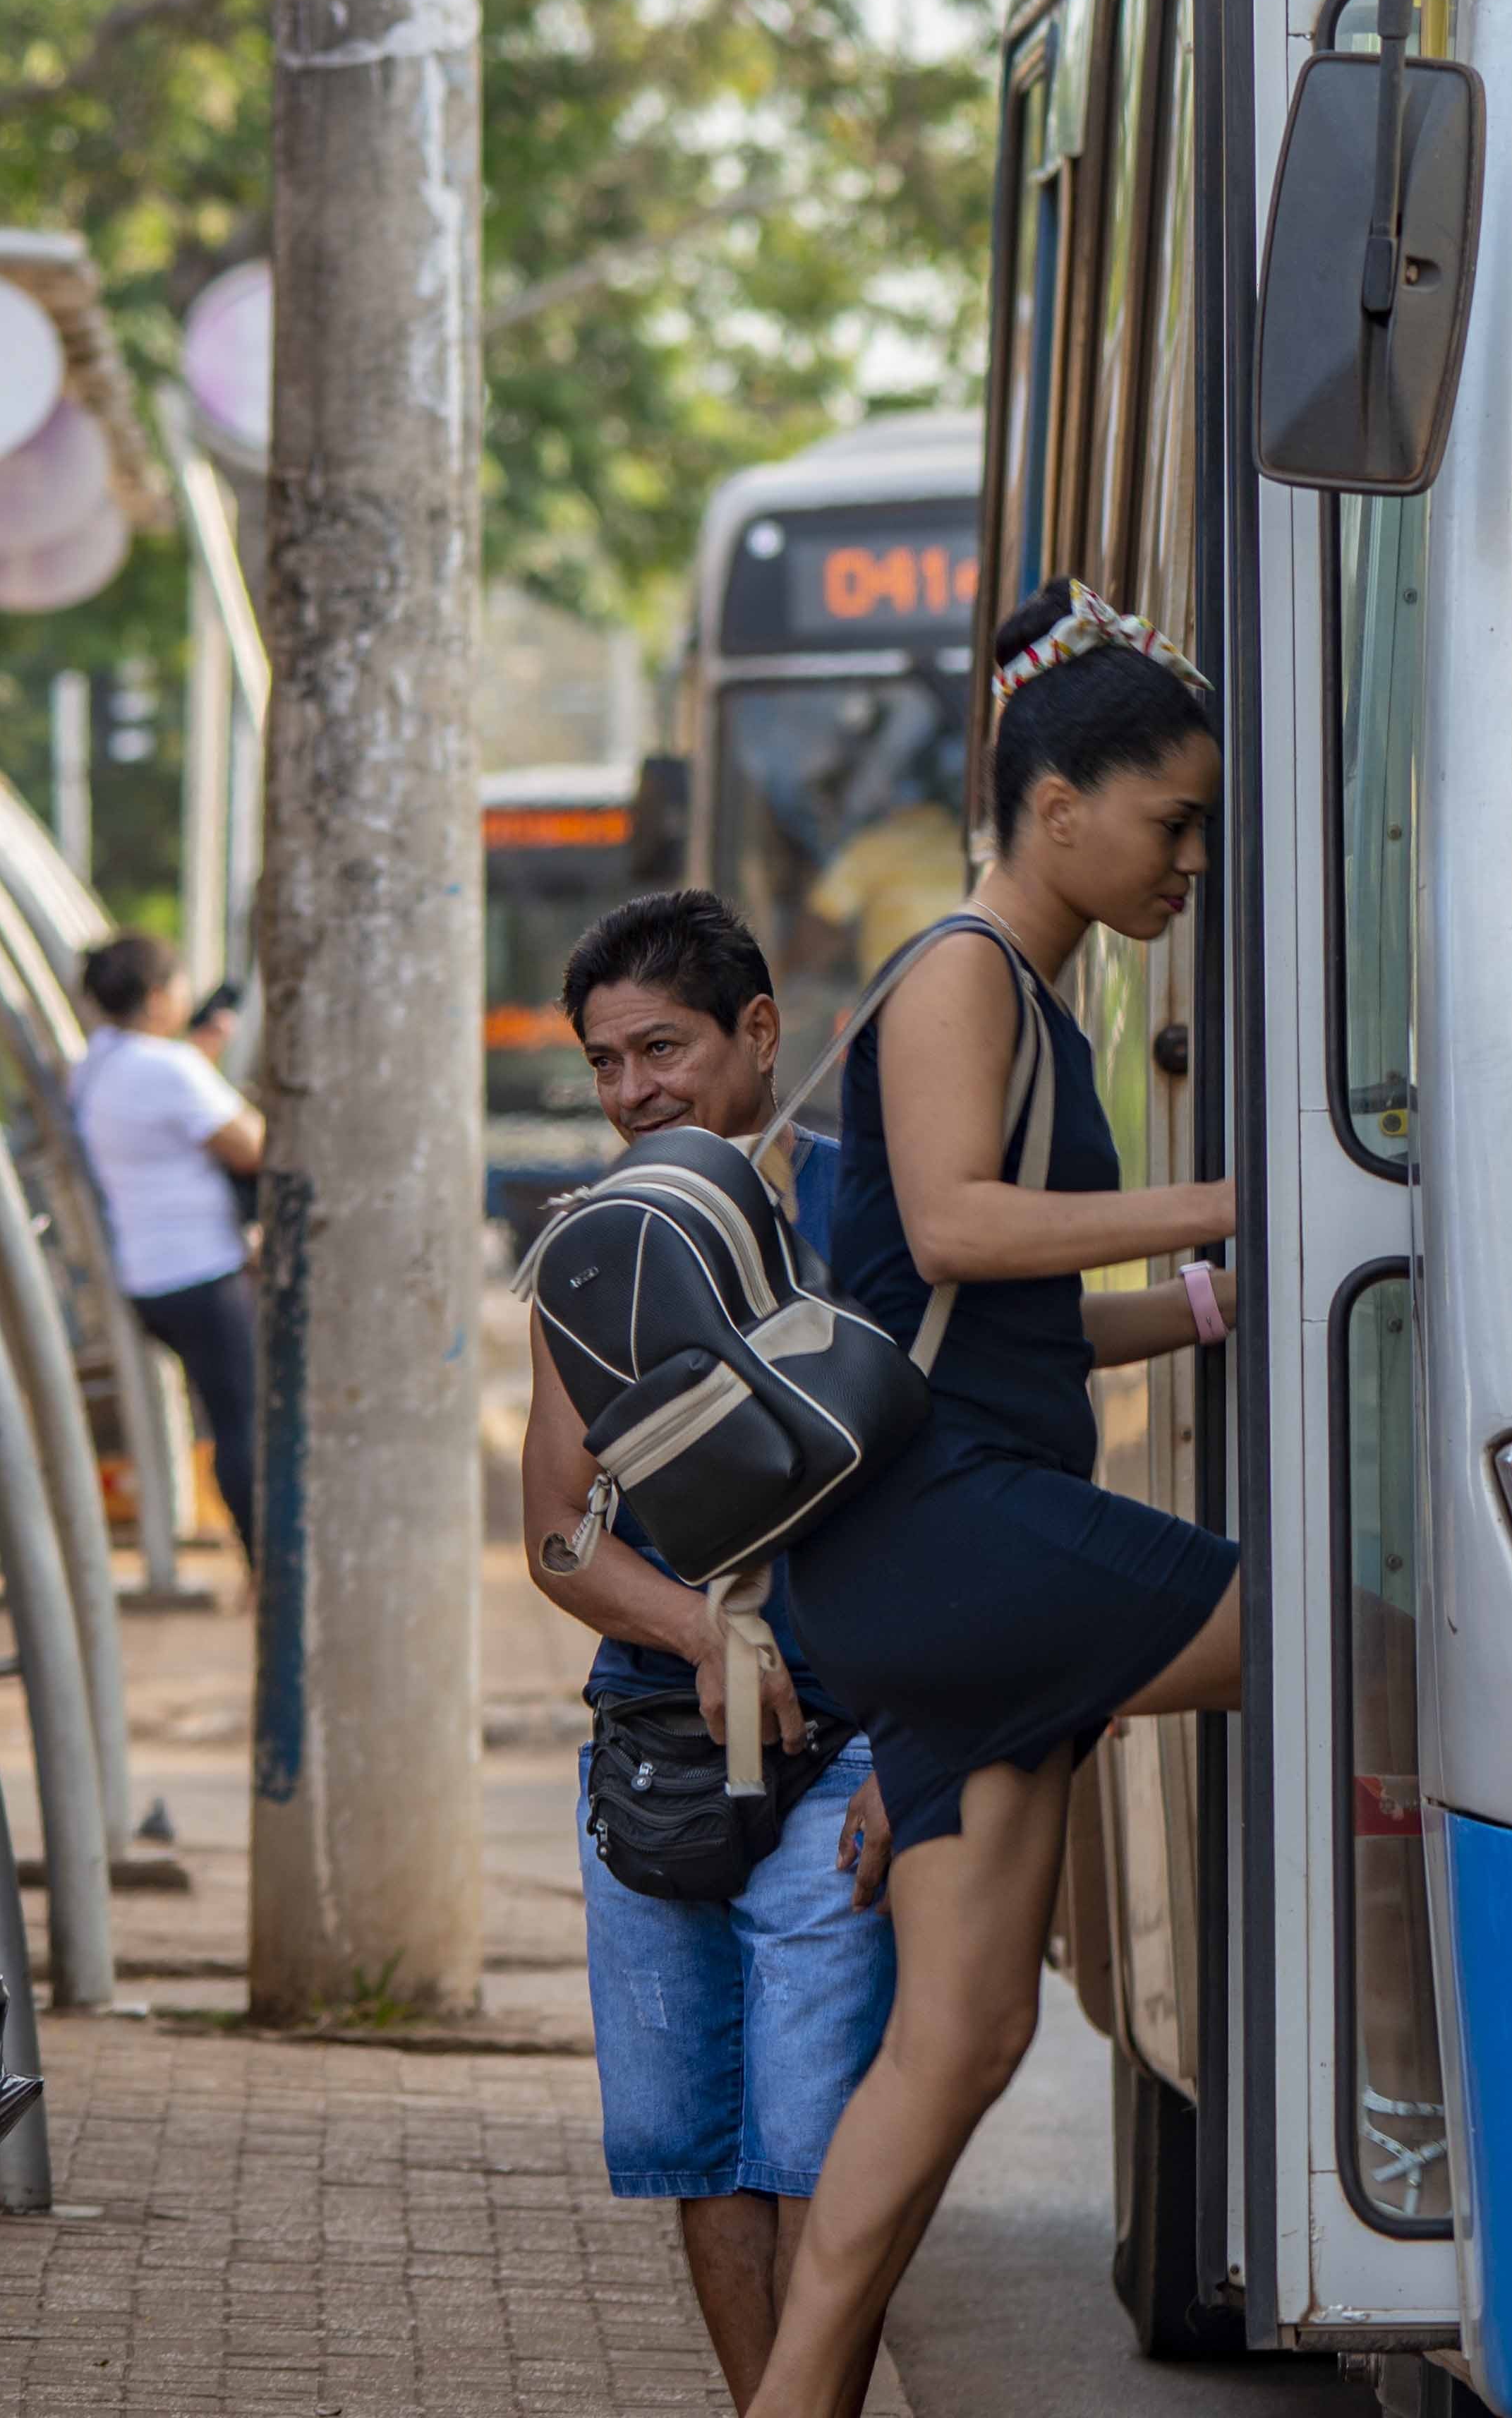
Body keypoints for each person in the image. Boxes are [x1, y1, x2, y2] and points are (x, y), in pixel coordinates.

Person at [741, 583, 1247, 2418]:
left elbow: (995, 1316)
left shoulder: (1035, 996)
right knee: (1342, 1640)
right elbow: (957, 1224)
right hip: (947, 1530)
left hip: (956, 1536)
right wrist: (1247, 1198)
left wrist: (1206, 1304)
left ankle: (793, 2406)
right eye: (1174, 819)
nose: (1193, 859)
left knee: (966, 2037)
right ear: (1058, 806)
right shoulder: (959, 970)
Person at [520, 886, 895, 2407]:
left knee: (822, 2145)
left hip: (855, 1738)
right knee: (698, 2144)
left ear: (758, 1031)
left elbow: (975, 1488)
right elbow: (558, 1535)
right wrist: (699, 1631)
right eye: (606, 1064)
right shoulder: (590, 1254)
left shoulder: (878, 1215)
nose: (632, 1094)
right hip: (655, 1744)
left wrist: (917, 1749)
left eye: (660, 1048)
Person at [72, 935, 264, 1550]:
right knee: (245, 1423)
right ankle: (267, 1562)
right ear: (157, 998)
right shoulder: (169, 1067)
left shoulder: (96, 1065)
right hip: (202, 1270)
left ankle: (256, 1558)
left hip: (148, 1274)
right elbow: (252, 1144)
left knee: (229, 1416)